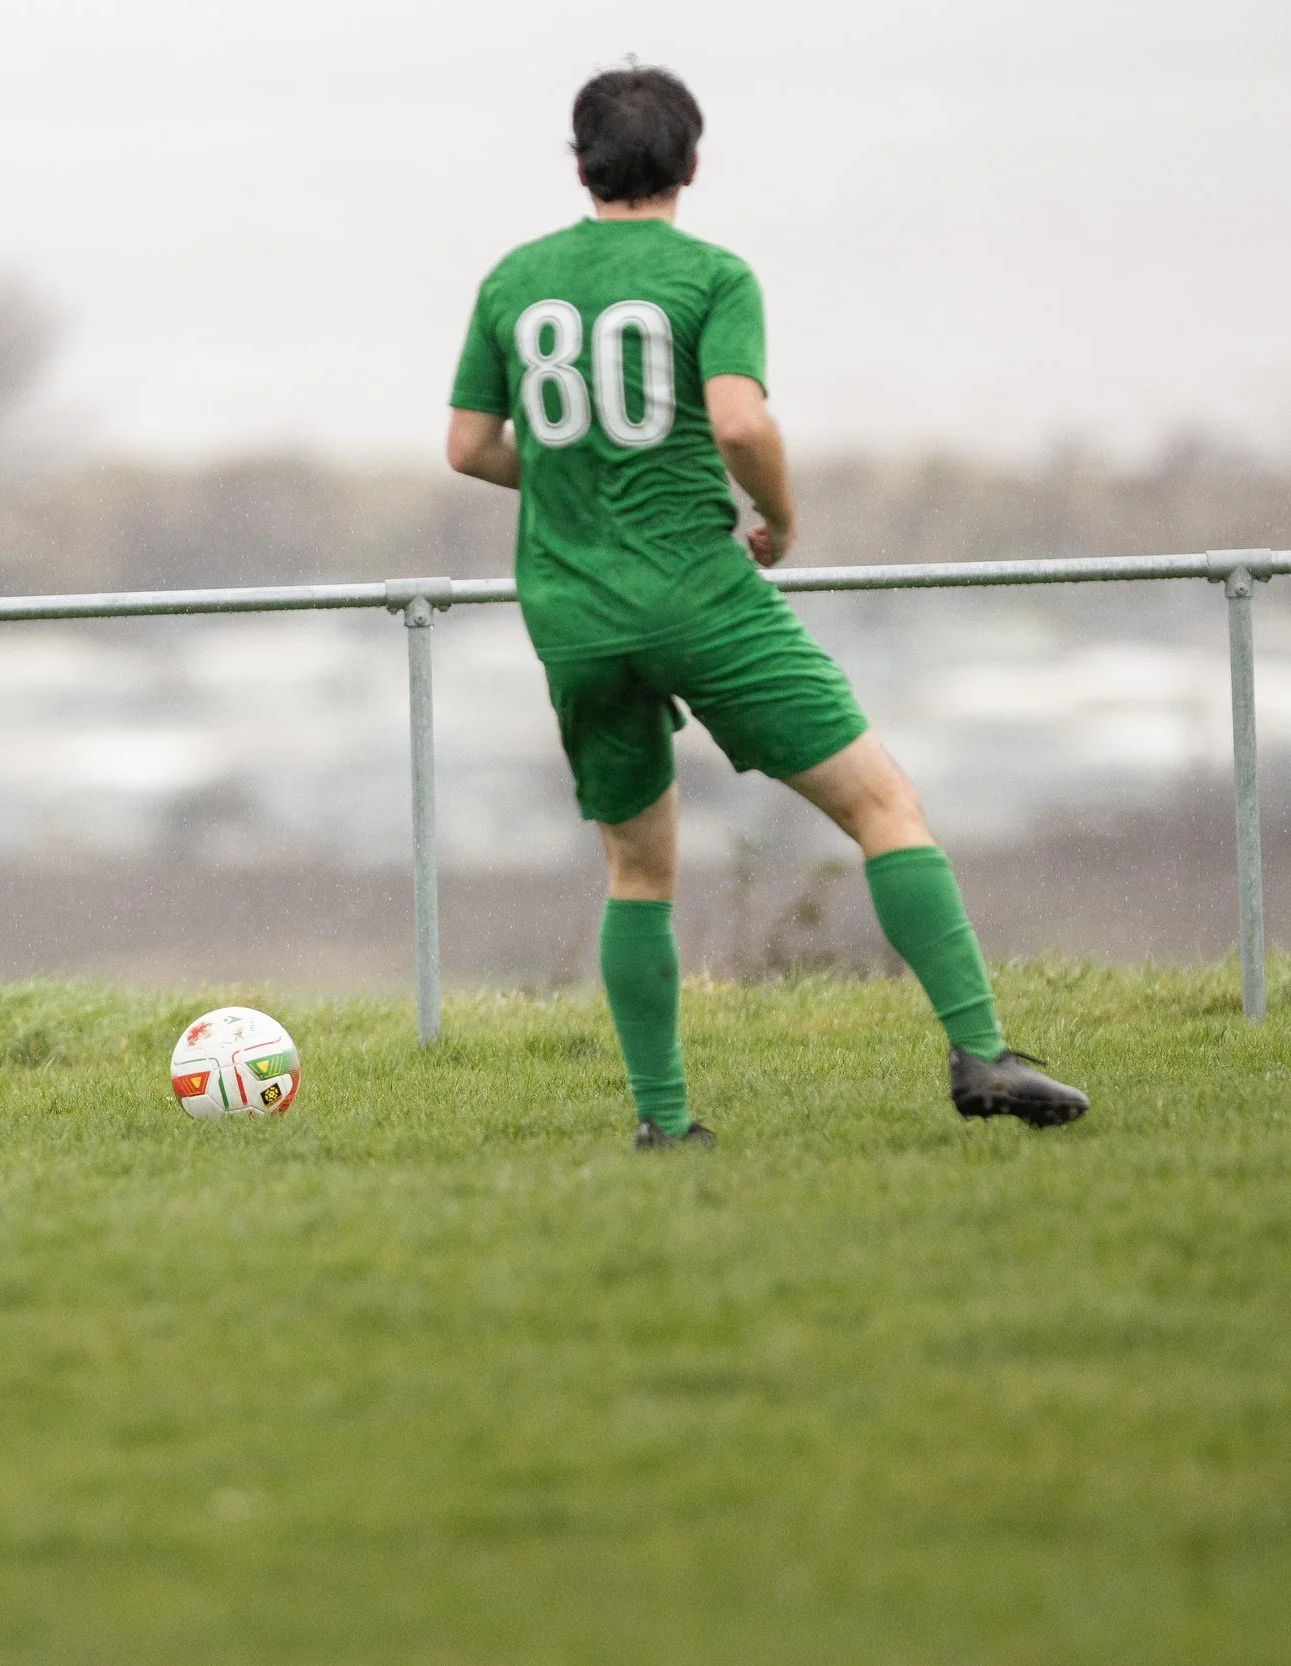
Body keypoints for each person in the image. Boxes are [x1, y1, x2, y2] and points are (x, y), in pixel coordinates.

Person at [445, 67, 1087, 1147]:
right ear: (691, 165)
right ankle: (979, 1050)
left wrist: (575, 482)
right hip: (699, 594)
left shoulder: (515, 278)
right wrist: (778, 520)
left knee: (637, 869)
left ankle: (664, 1123)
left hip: (571, 613)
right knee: (883, 807)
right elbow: (738, 424)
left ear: (577, 163)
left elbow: (467, 447)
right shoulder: (712, 276)